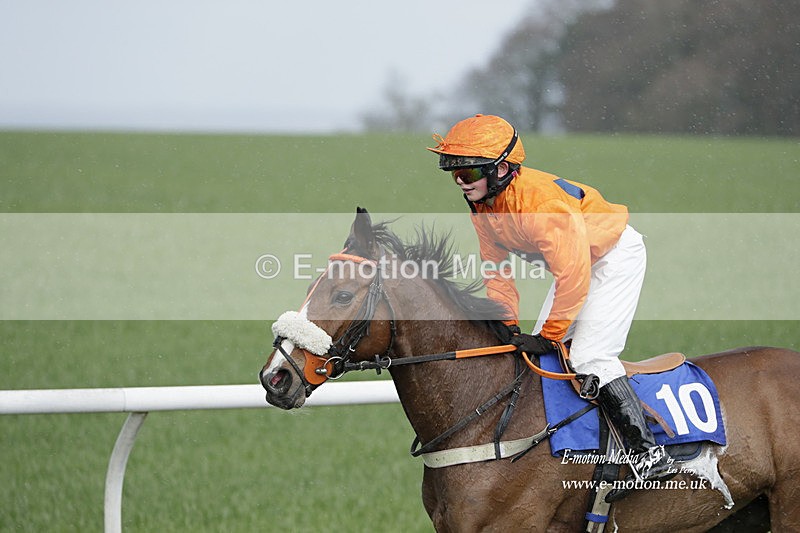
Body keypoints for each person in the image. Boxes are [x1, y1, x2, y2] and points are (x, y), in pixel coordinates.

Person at [427, 114, 671, 483]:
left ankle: (648, 454)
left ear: (503, 169)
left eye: (470, 174)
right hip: (578, 264)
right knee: (541, 360)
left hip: (614, 257)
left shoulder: (540, 204)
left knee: (590, 356)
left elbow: (573, 276)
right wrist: (506, 326)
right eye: (455, 174)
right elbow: (496, 272)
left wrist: (550, 334)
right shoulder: (485, 206)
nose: (461, 183)